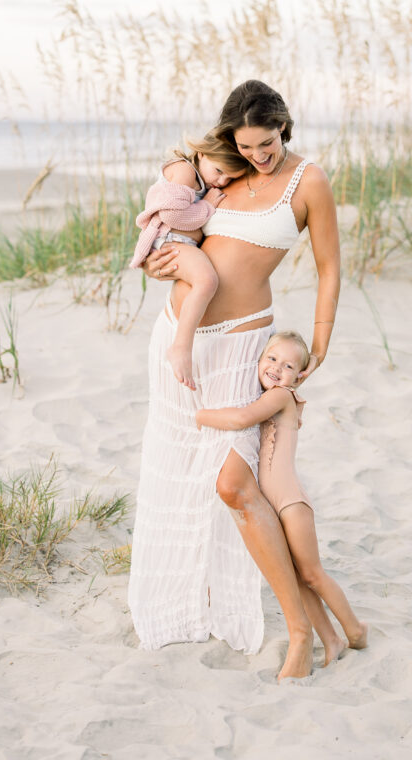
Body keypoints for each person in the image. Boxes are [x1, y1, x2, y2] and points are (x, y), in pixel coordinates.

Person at [128, 80, 340, 680]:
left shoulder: (308, 182)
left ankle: (300, 630)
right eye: (247, 146)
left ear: (284, 128)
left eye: (267, 143)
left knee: (234, 486)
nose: (257, 156)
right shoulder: (224, 169)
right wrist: (157, 263)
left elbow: (329, 267)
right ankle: (205, 606)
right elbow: (172, 234)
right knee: (188, 482)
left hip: (245, 348)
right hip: (181, 343)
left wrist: (321, 336)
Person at [196, 330, 368, 665]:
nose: (277, 368)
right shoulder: (267, 393)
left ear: (299, 377)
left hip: (291, 504)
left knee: (313, 574)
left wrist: (199, 416)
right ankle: (331, 641)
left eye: (288, 365)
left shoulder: (280, 396)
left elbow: (241, 419)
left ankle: (356, 630)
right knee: (297, 578)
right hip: (273, 504)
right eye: (271, 359)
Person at [129, 132, 247, 389]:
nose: (221, 180)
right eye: (219, 171)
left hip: (181, 243)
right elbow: (172, 216)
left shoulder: (202, 177)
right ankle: (181, 347)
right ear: (202, 154)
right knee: (206, 281)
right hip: (170, 241)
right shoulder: (184, 170)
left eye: (230, 178)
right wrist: (207, 207)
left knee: (205, 281)